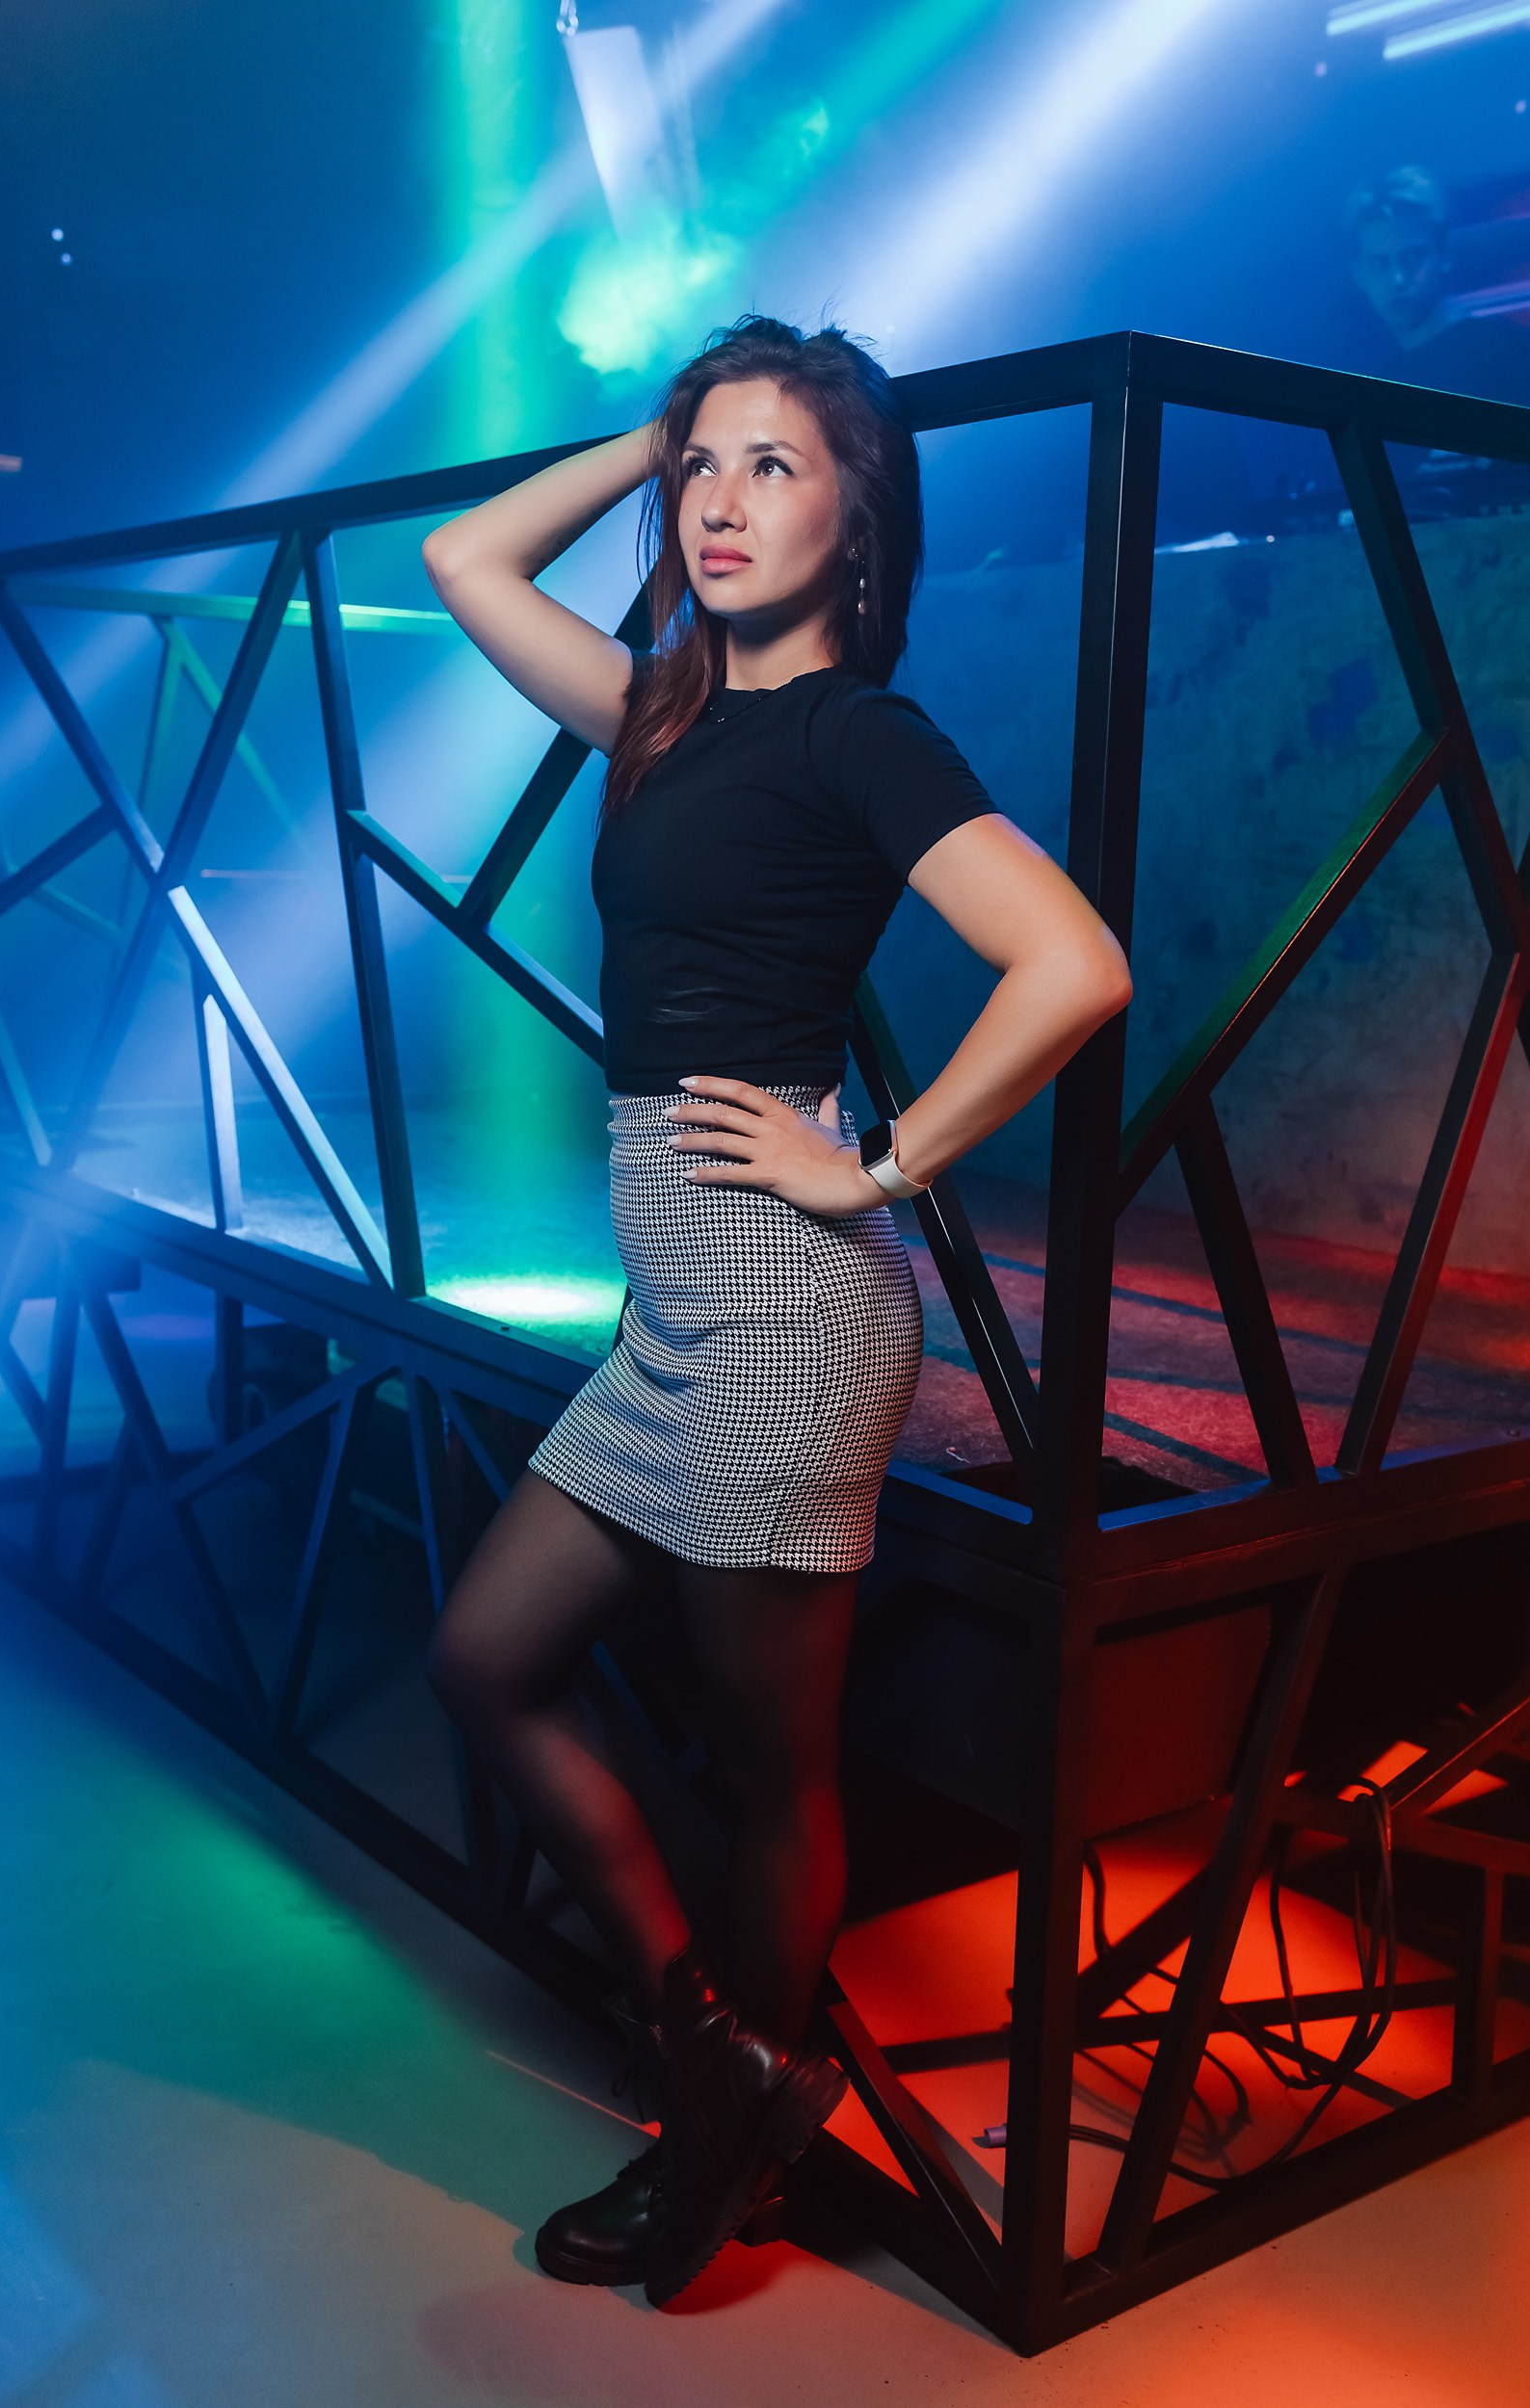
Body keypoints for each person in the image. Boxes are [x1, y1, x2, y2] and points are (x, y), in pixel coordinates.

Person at [419, 315, 1130, 2304]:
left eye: (772, 466)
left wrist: (876, 1164)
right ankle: (727, 2067)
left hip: (783, 1305)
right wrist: (653, 425)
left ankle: (720, 2144)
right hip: (670, 1310)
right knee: (485, 1656)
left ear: (856, 517)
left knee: (768, 1765)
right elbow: (465, 560)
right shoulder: (661, 716)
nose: (719, 506)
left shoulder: (855, 737)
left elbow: (1071, 964)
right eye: (700, 470)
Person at [1344, 165, 1528, 404]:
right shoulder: (1376, 384)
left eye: (1412, 257)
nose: (1397, 278)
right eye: (1379, 263)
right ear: (1359, 274)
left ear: (1443, 255)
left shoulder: (1500, 348)